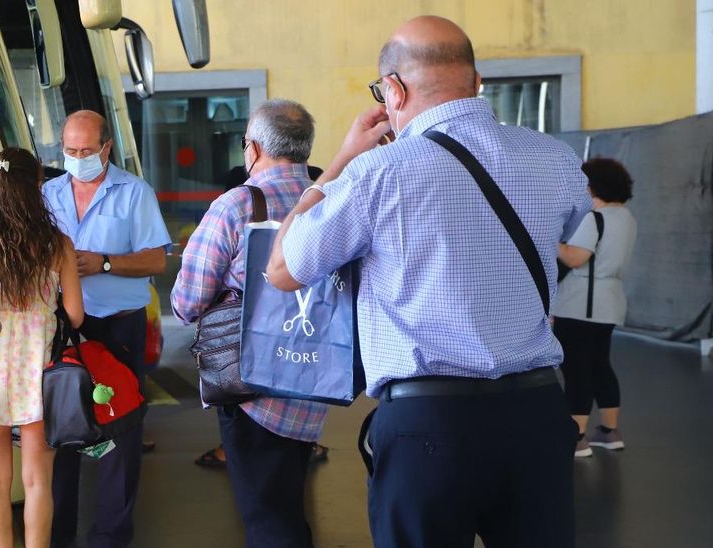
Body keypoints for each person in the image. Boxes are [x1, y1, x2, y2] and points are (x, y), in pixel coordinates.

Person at [265, 16, 591, 547]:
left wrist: (344, 159)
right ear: (476, 80)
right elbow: (564, 229)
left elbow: (283, 269)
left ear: (393, 89)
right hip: (537, 414)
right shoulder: (552, 158)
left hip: (430, 424)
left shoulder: (378, 173)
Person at [172, 99, 329, 547]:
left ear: (254, 148)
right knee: (286, 506)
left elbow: (186, 301)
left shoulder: (238, 204)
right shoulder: (329, 199)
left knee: (267, 520)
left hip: (252, 385)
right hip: (313, 378)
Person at [43, 110, 171, 548]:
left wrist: (105, 262)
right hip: (63, 332)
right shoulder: (47, 194)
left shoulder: (134, 194)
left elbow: (157, 259)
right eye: (70, 151)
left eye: (85, 151)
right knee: (60, 432)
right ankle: (57, 535)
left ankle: (110, 538)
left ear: (106, 149)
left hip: (117, 331)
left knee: (120, 434)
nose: (77, 159)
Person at [0, 148, 85, 548]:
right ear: (35, 188)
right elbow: (76, 315)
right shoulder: (58, 244)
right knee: (37, 479)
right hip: (38, 372)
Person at [553, 157, 637, 457]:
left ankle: (577, 439)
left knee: (576, 371)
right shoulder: (626, 217)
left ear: (590, 186)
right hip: (610, 304)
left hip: (579, 306)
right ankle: (609, 432)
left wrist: (552, 241)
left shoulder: (594, 218)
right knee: (600, 366)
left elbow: (576, 258)